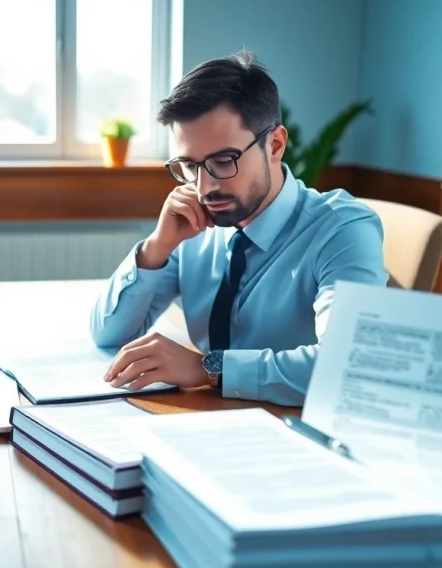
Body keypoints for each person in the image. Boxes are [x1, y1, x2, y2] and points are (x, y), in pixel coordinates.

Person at [91, 51, 389, 406]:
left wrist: (209, 368)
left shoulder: (341, 231)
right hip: (202, 419)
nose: (204, 187)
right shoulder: (194, 226)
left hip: (294, 434)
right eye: (189, 166)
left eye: (223, 160)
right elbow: (108, 334)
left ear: (275, 144)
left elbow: (345, 368)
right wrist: (156, 248)